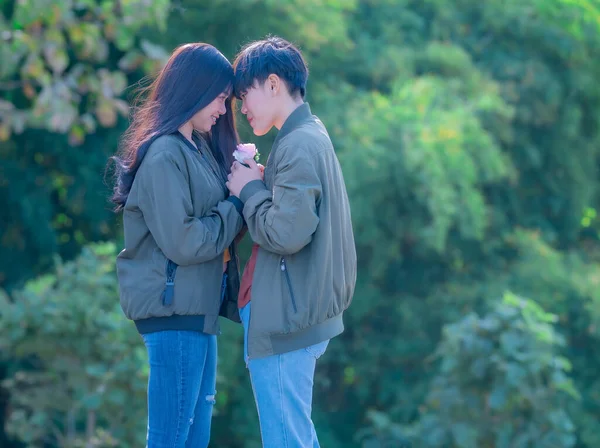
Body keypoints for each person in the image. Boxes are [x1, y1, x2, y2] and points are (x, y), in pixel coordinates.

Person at [110, 42, 244, 448]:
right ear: (195, 90)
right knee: (171, 440)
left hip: (198, 313)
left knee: (192, 440)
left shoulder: (197, 148)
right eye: (220, 98)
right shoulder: (165, 153)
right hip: (175, 314)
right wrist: (236, 203)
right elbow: (184, 242)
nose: (223, 109)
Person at [226, 36, 357, 448]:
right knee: (296, 437)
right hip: (295, 312)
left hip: (287, 319)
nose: (242, 108)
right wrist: (263, 183)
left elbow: (286, 233)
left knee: (286, 440)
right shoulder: (307, 134)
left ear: (272, 84)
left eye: (244, 95)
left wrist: (248, 190)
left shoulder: (299, 143)